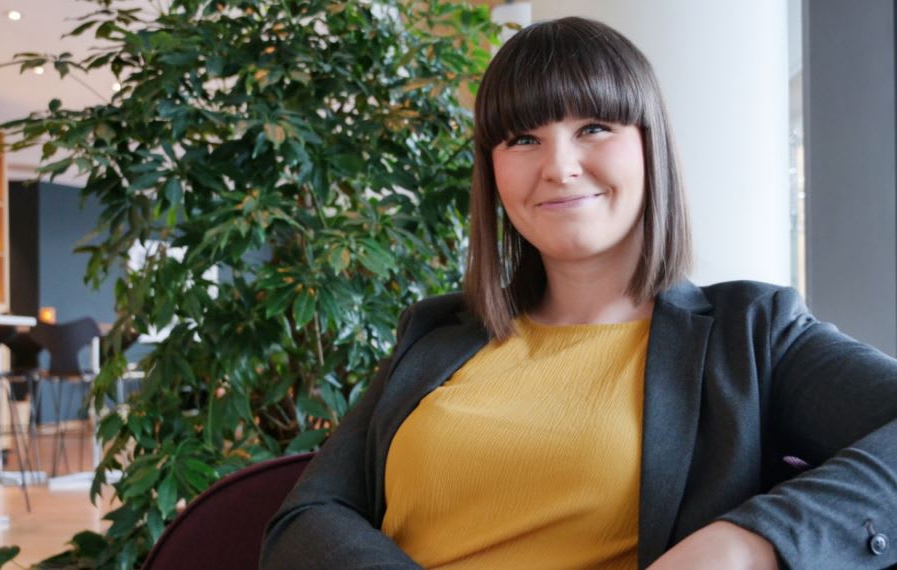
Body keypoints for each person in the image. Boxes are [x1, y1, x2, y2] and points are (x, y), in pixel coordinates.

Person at [260, 16, 897, 570]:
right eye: (523, 139)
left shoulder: (752, 331)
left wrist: (749, 541)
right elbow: (307, 518)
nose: (559, 167)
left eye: (593, 127)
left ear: (649, 145)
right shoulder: (436, 333)